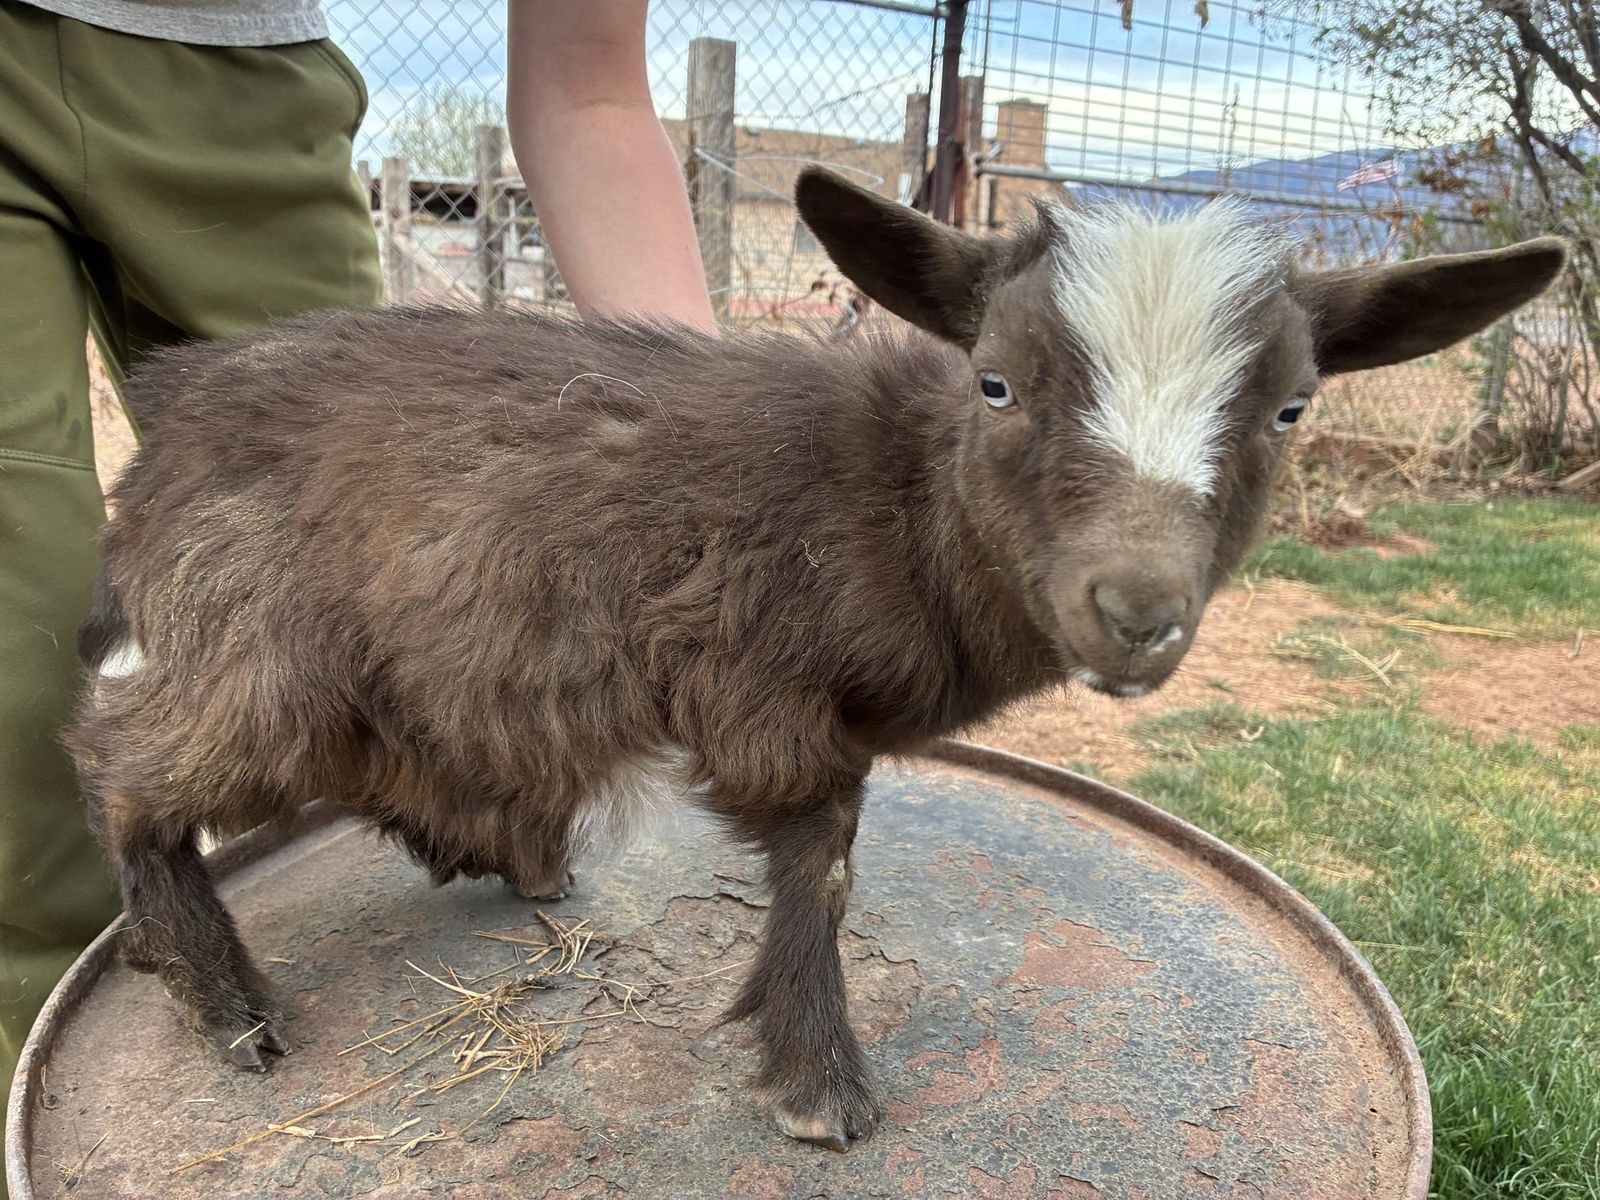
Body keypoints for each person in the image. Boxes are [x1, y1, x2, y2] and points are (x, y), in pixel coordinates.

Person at [0, 0, 713, 1151]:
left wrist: (701, 446)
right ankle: (84, 1121)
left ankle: (479, 823)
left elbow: (587, 83)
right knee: (15, 662)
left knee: (393, 574)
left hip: (241, 70)